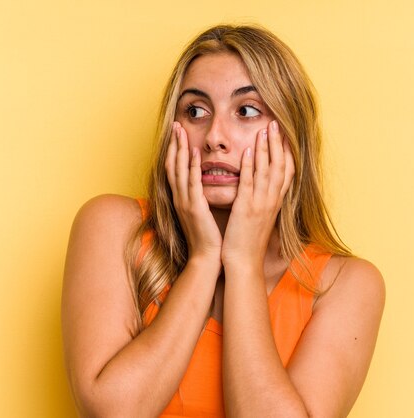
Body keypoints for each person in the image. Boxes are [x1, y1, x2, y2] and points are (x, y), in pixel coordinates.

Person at [62, 24, 385, 418]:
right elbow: (113, 412)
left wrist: (243, 262)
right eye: (195, 111)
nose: (214, 136)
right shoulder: (114, 227)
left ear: (290, 135)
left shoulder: (344, 285)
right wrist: (203, 258)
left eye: (246, 111)